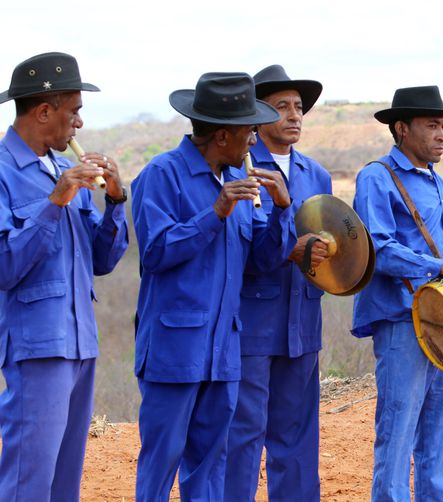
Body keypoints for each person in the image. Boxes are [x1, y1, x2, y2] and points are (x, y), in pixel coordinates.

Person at [131, 72, 297, 501]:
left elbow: (261, 260)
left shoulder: (237, 177)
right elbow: (155, 252)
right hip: (174, 350)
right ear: (222, 135)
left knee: (211, 465)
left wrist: (281, 211)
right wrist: (214, 212)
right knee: (161, 460)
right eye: (248, 132)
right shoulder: (161, 175)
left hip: (223, 352)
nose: (254, 141)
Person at [0, 52, 129, 500]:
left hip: (80, 344)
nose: (78, 124)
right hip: (37, 346)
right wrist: (54, 202)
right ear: (43, 112)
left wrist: (114, 201)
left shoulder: (61, 169)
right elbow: (5, 266)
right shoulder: (2, 172)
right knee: (27, 480)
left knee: (64, 483)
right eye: (73, 112)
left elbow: (102, 259)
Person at [352, 86, 443, 501]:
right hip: (400, 320)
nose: (442, 134)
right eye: (432, 125)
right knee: (398, 428)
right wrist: (441, 267)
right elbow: (377, 248)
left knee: (440, 431)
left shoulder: (436, 181)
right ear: (402, 128)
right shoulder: (377, 176)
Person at [224, 64, 331, 501]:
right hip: (253, 321)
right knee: (244, 435)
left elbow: (333, 237)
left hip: (303, 321)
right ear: (257, 115)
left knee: (299, 438)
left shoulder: (316, 174)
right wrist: (290, 245)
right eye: (281, 106)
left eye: (299, 107)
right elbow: (239, 244)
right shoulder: (240, 169)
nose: (294, 115)